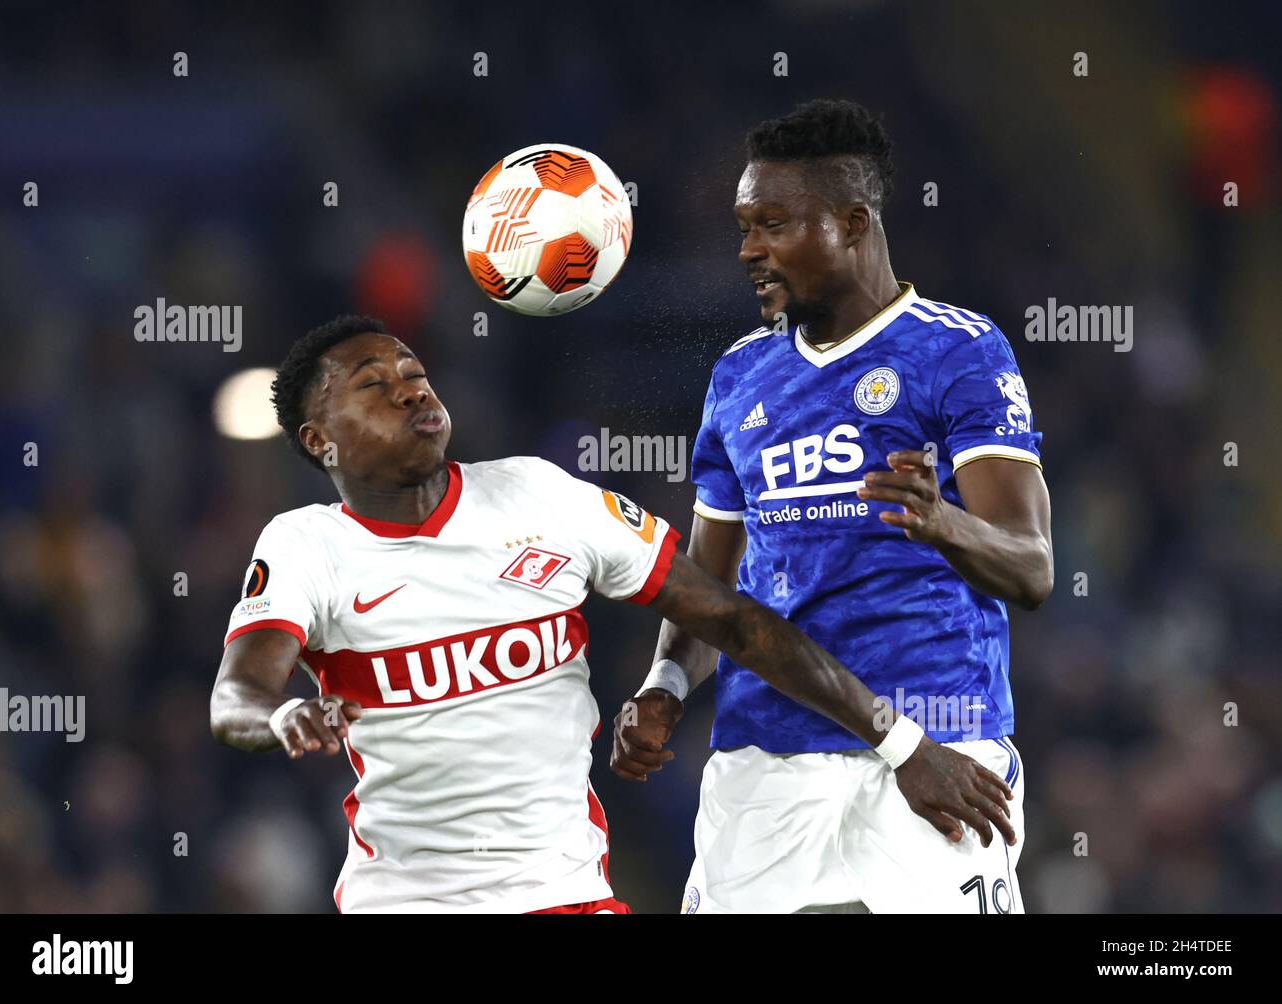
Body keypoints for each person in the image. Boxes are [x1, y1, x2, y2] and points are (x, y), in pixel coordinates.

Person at [209, 314, 1014, 914]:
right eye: (373, 385)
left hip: (569, 898)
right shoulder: (308, 545)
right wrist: (280, 717)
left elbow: (731, 619)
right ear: (321, 441)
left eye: (413, 369)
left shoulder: (539, 495)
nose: (410, 387)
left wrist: (898, 738)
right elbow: (236, 696)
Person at [613, 99, 1052, 914]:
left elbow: (1032, 568)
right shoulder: (740, 374)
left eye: (773, 225)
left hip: (942, 737)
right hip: (765, 748)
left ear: (852, 224)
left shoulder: (958, 351)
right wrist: (667, 682)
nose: (749, 250)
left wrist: (943, 521)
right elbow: (711, 585)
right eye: (744, 227)